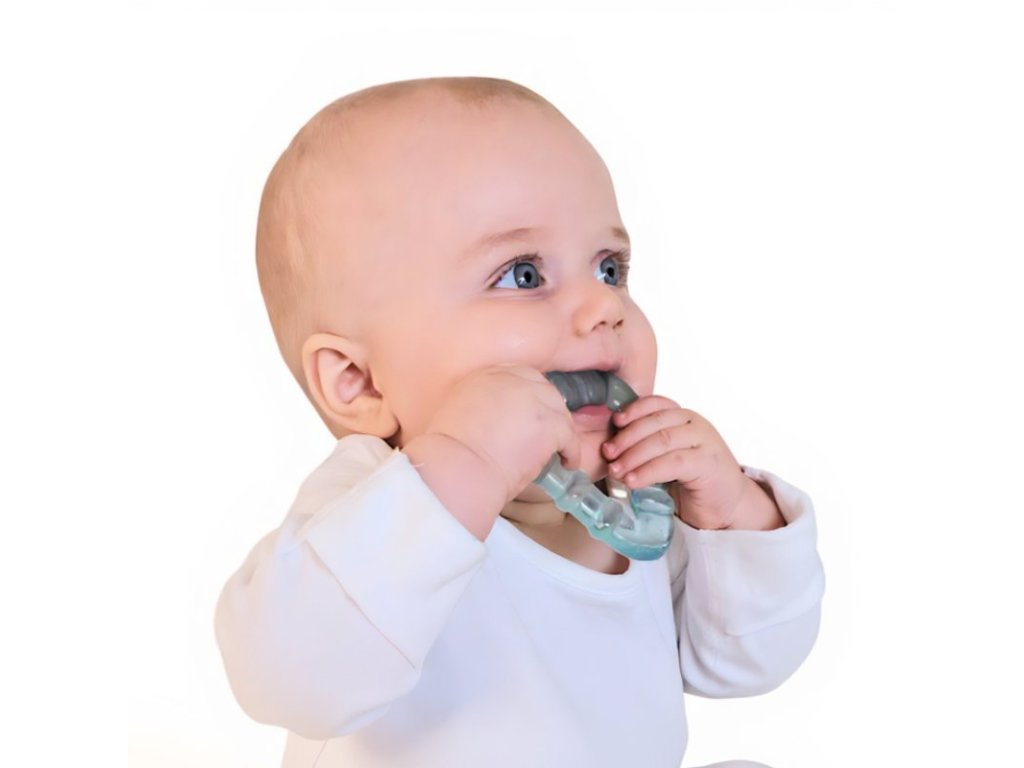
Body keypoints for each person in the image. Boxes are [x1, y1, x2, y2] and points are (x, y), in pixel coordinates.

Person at [215, 76, 825, 768]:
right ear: (360, 381)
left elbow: (749, 660)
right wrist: (464, 464)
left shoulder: (632, 506)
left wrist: (735, 514)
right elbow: (290, 679)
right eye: (522, 275)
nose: (604, 307)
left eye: (610, 268)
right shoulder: (367, 513)